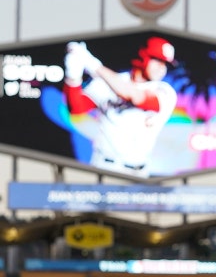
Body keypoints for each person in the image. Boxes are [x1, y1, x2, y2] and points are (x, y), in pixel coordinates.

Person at [63, 37, 178, 178]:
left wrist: (92, 64)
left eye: (166, 64)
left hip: (139, 172)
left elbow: (134, 96)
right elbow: (76, 108)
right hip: (105, 167)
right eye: (157, 60)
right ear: (143, 57)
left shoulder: (164, 91)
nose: (162, 67)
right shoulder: (110, 82)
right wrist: (73, 74)